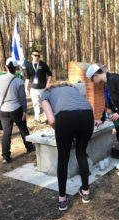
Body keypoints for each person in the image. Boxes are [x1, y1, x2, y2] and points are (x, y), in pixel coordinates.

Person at [40, 83, 94, 211]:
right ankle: (86, 192)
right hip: (88, 115)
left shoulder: (45, 94)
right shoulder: (73, 89)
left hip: (65, 118)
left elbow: (52, 120)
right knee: (81, 154)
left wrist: (61, 132)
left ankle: (62, 199)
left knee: (63, 159)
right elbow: (78, 111)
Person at [86, 63, 119, 178]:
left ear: (95, 75)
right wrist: (101, 119)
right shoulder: (107, 84)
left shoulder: (115, 79)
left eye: (91, 80)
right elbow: (108, 104)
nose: (93, 82)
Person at [0, 58, 35, 163]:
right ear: (15, 68)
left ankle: (5, 156)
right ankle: (29, 148)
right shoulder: (19, 81)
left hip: (3, 110)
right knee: (23, 129)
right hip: (16, 109)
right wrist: (25, 111)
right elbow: (22, 98)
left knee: (6, 133)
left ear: (6, 67)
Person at [25, 50, 52, 124]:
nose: (37, 57)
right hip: (33, 89)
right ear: (31, 55)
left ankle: (47, 118)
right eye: (35, 55)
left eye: (38, 55)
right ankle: (37, 119)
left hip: (43, 88)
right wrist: (26, 88)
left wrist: (48, 84)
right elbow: (27, 77)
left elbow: (50, 74)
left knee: (45, 104)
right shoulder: (28, 65)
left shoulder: (43, 64)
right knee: (35, 104)